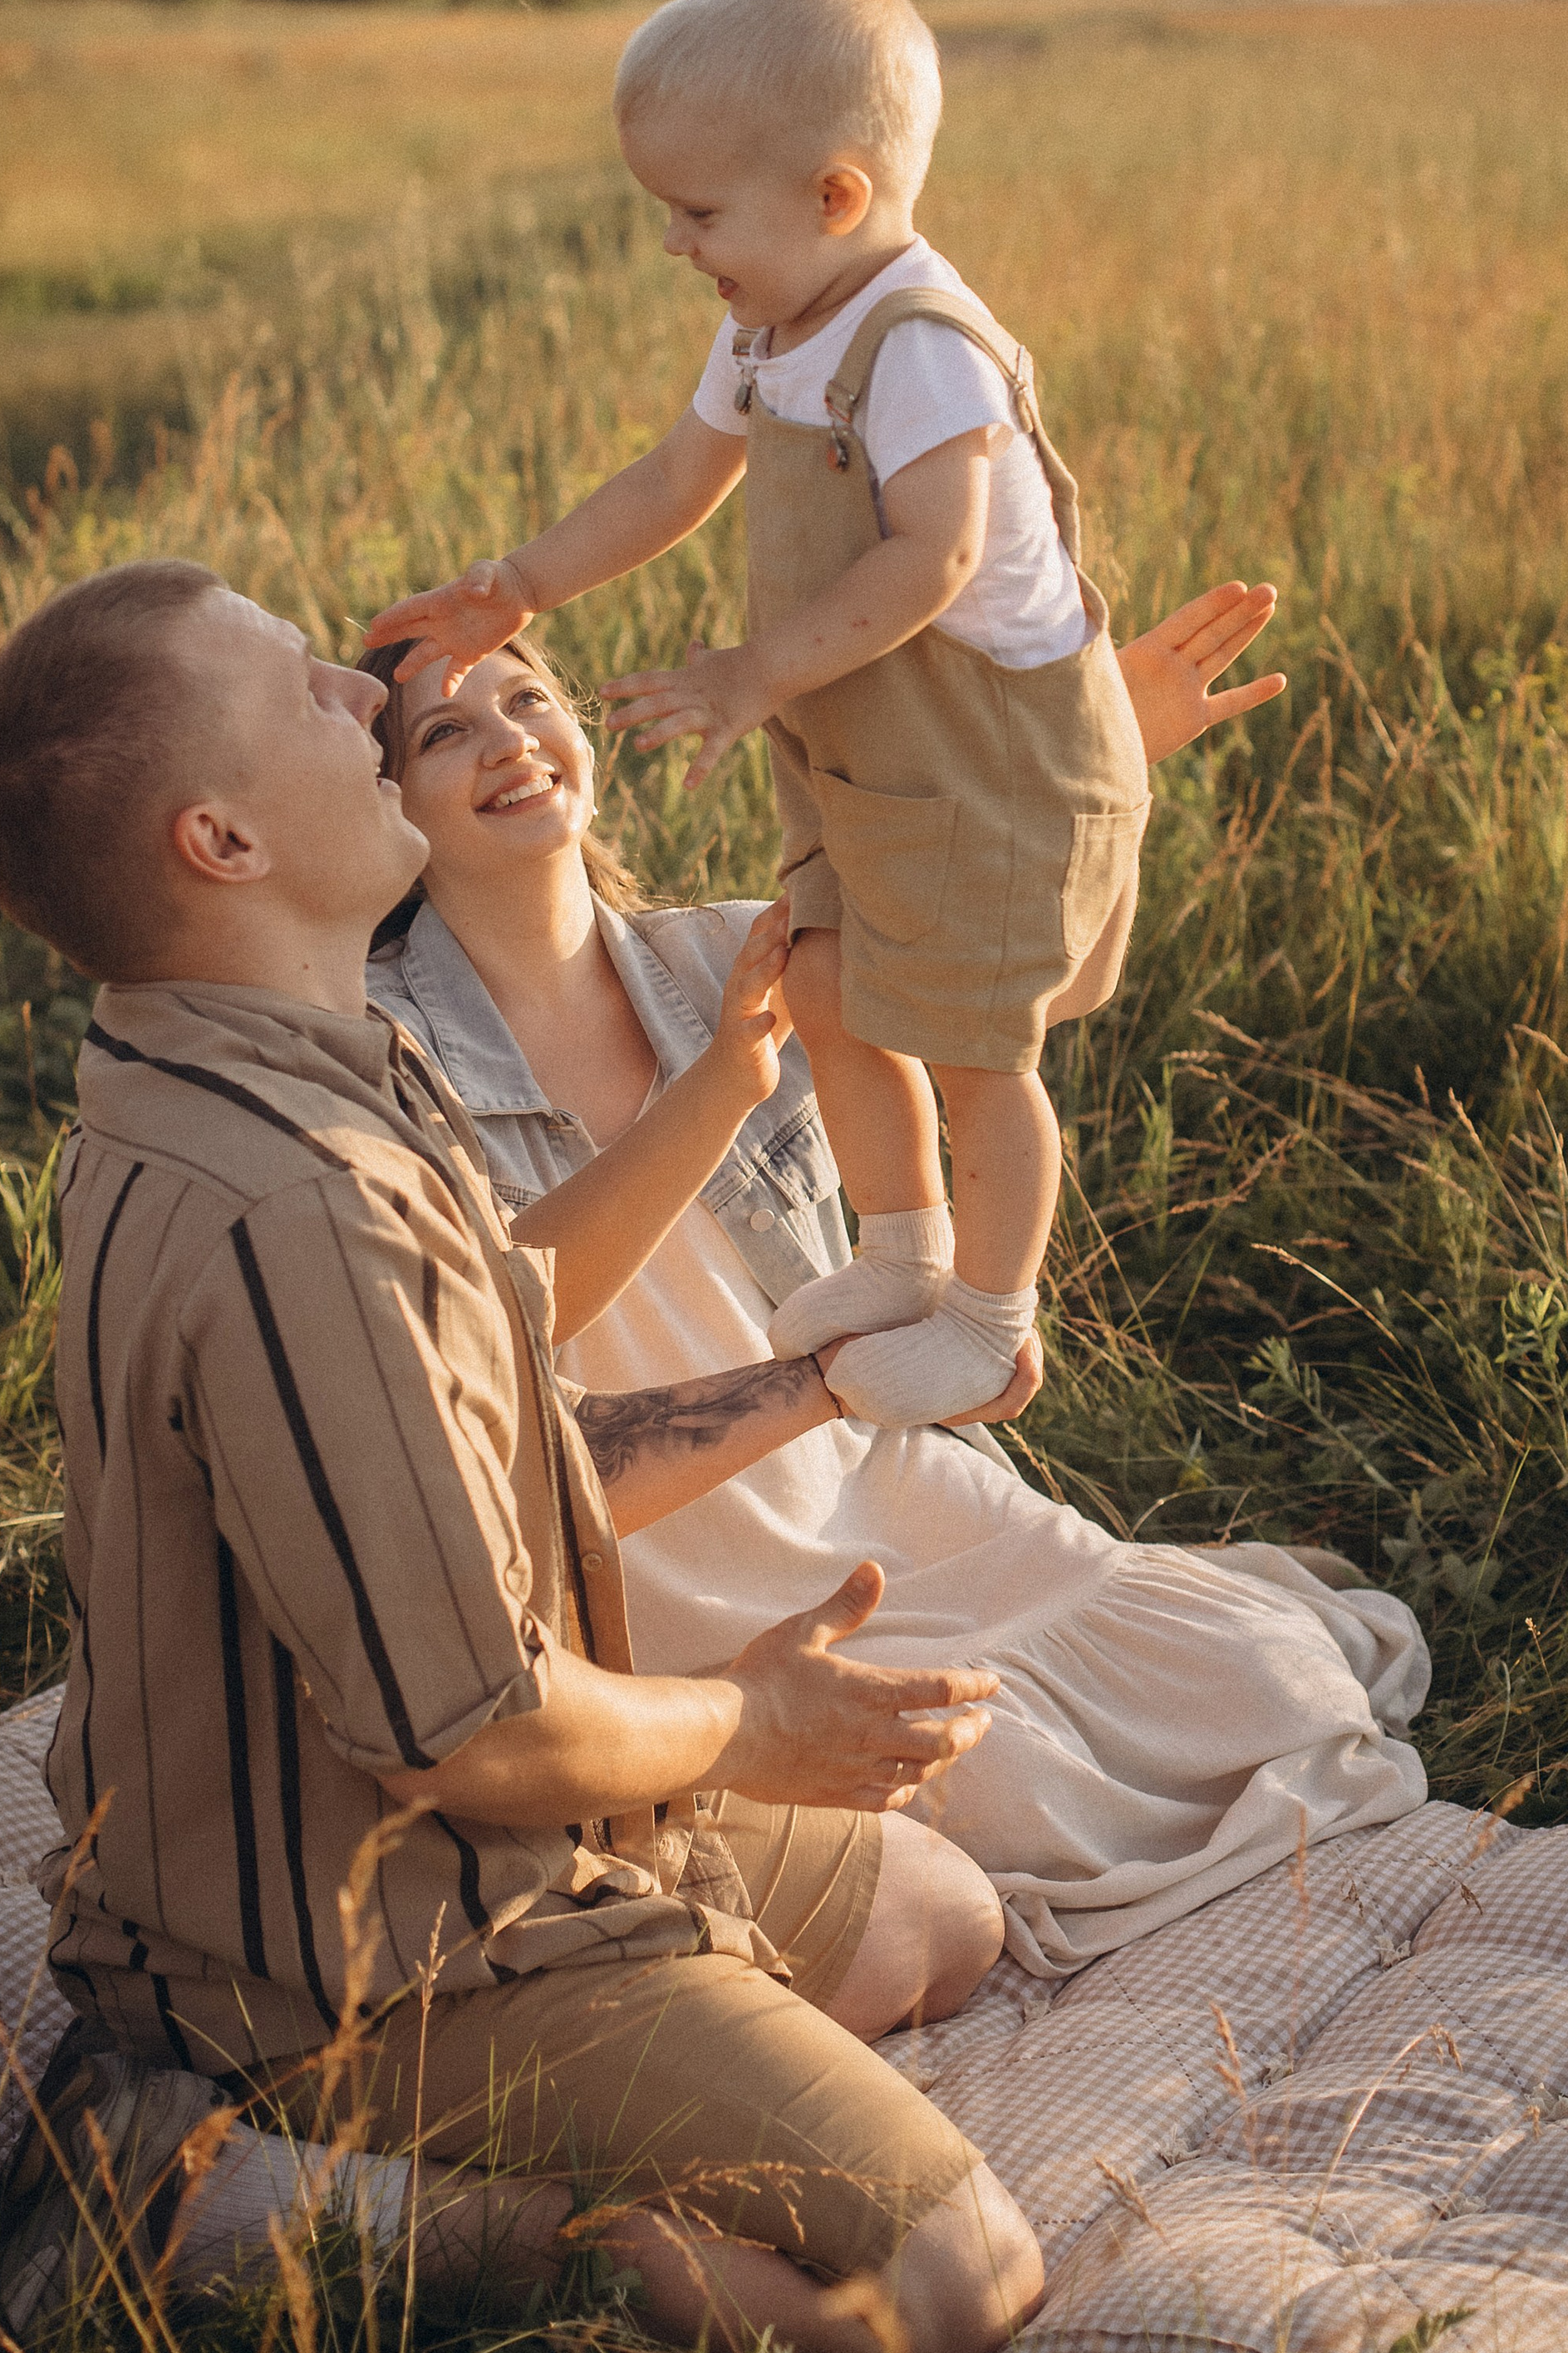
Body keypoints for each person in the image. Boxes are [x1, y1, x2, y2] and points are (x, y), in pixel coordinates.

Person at [0, 557, 1046, 2353]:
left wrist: (808, 1349)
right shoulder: (298, 1207)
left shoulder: (253, 1062)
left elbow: (493, 1354)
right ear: (219, 842)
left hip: (449, 1829)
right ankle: (298, 2212)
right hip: (351, 1945)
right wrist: (744, 1725)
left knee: (936, 1917)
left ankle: (601, 2049)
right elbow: (471, 1737)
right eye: (308, 690)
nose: (365, 698)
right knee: (947, 2289)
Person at [359, 631, 1431, 1974]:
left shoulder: (714, 956)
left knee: (1283, 1693)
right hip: (648, 1574)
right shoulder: (377, 1059)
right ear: (384, 805)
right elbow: (497, 1333)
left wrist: (1102, 788)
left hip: (860, 1482)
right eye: (444, 734)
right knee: (1017, 1799)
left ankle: (1228, 1590)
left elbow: (1023, 1002)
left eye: (527, 698)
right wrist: (721, 1096)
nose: (508, 736)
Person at [365, 0, 1287, 1427]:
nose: (675, 242)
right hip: (871, 738)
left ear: (836, 195)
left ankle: (990, 1315)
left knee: (981, 1051)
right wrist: (525, 583)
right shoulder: (771, 322)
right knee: (825, 979)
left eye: (698, 210)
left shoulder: (921, 348)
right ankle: (905, 1246)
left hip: (993, 752)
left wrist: (746, 674)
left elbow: (929, 562)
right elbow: (680, 476)